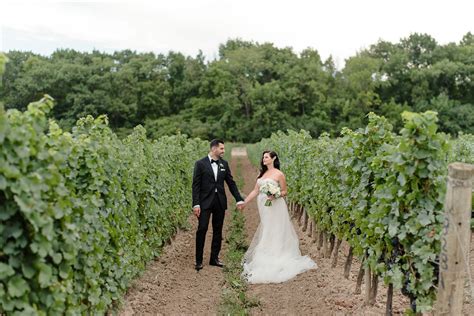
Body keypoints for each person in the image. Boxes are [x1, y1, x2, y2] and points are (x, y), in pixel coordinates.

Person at [242, 150, 317, 283]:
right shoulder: (263, 173)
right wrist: (245, 202)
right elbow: (255, 190)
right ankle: (267, 252)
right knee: (267, 227)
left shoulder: (279, 174)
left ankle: (276, 253)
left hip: (275, 205)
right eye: (263, 157)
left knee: (274, 227)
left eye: (266, 157)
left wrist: (275, 195)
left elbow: (284, 191)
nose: (263, 159)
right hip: (263, 205)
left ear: (273, 158)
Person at [192, 139, 244, 271]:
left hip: (219, 201)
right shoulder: (200, 164)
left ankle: (214, 258)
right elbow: (196, 186)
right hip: (204, 202)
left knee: (218, 230)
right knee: (202, 229)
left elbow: (231, 183)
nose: (223, 151)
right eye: (221, 149)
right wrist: (196, 204)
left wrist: (238, 199)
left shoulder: (224, 164)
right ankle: (198, 260)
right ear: (214, 149)